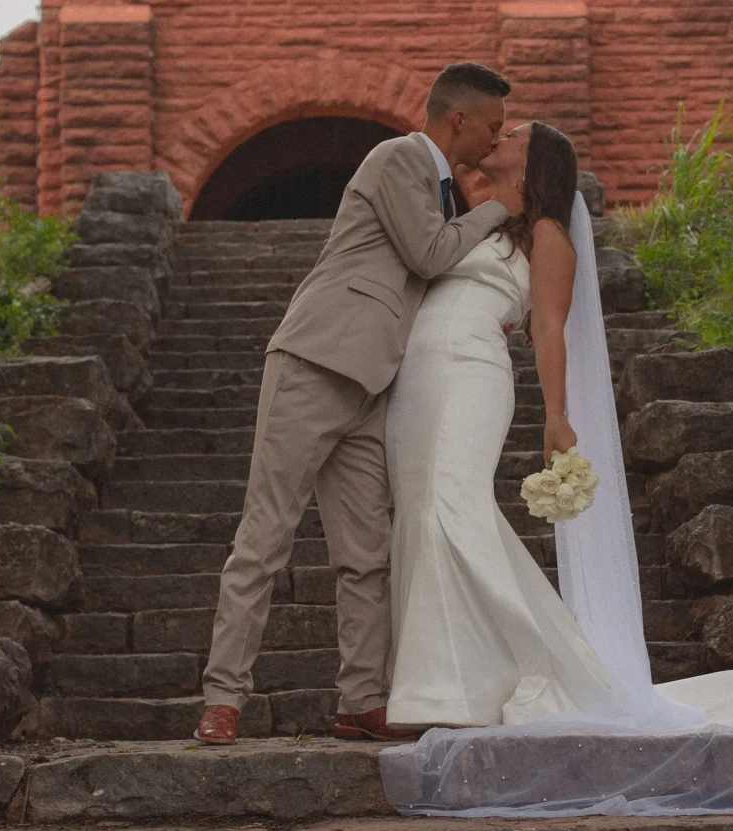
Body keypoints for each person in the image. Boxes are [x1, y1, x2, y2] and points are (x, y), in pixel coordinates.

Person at [378, 122, 733, 815]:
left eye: (513, 130)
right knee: (420, 512)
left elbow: (547, 330)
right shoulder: (479, 219)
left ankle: (523, 670)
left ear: (536, 161)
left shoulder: (550, 239)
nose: (501, 131)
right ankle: (438, 681)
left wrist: (558, 415)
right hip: (419, 378)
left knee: (453, 506)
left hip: (472, 375)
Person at [194, 62, 525, 745]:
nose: (495, 142)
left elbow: (437, 279)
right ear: (456, 118)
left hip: (375, 384)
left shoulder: (445, 191)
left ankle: (362, 698)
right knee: (265, 536)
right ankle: (223, 698)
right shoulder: (399, 156)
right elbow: (430, 254)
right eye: (492, 126)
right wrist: (503, 209)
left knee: (367, 554)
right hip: (316, 362)